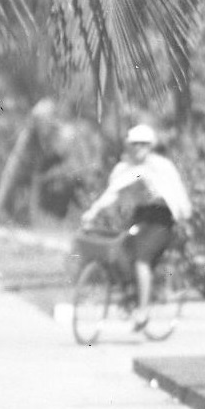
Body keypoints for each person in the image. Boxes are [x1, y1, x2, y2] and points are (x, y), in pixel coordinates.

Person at [82, 123, 192, 323]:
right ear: (129, 145)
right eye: (135, 144)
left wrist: (182, 215)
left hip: (162, 220)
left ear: (150, 146)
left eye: (144, 144)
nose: (139, 148)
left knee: (142, 259)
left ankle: (143, 310)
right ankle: (130, 294)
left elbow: (176, 193)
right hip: (141, 216)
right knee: (120, 251)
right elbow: (113, 192)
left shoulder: (161, 166)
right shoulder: (125, 168)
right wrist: (93, 211)